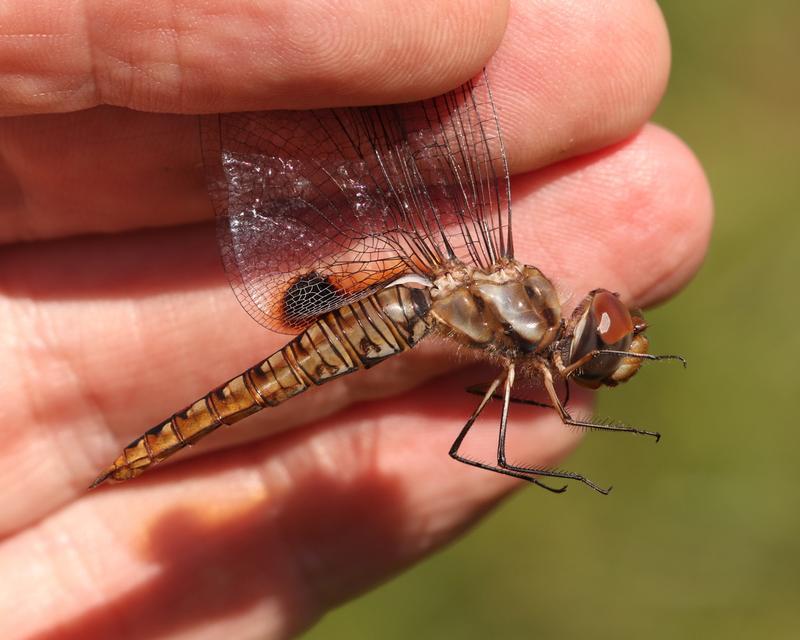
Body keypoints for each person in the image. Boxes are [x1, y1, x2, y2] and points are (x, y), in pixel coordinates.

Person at [0, 1, 712, 637]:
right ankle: (142, 450)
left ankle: (132, 455)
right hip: (390, 308)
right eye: (603, 332)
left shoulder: (521, 320)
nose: (600, 327)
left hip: (399, 304)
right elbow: (484, 448)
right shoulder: (525, 336)